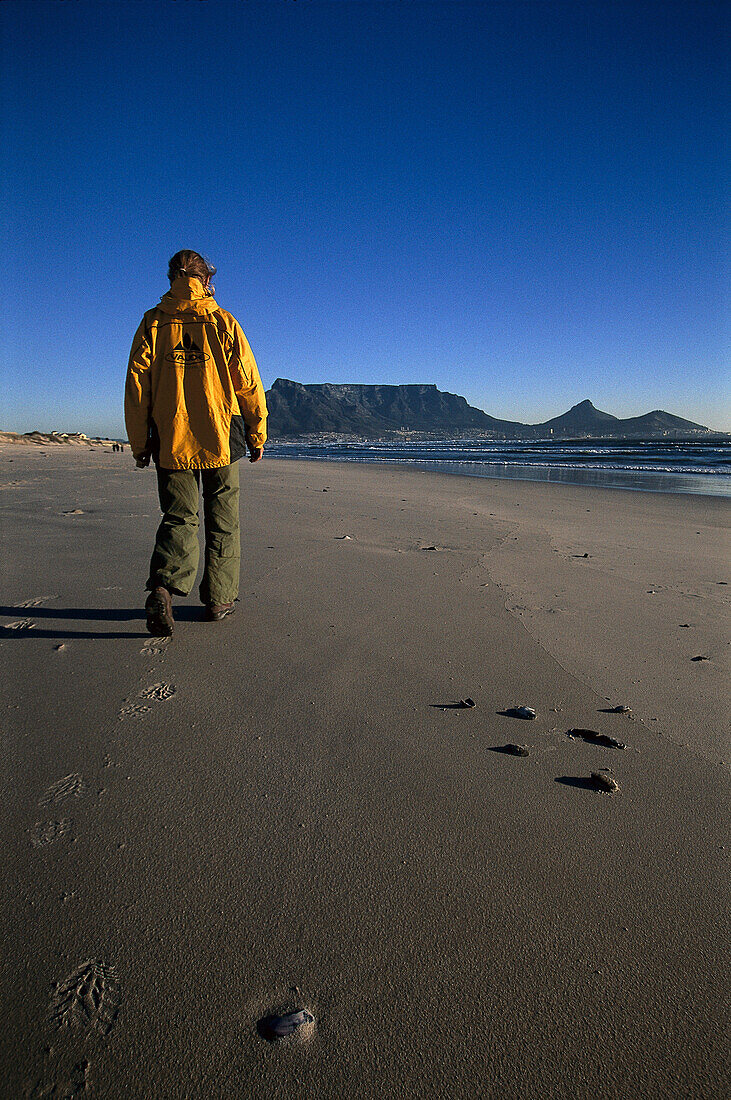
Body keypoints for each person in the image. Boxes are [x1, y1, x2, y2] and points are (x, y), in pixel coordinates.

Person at [124, 250, 267, 636]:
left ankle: (163, 588)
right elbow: (248, 382)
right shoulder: (223, 321)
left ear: (172, 277)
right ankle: (219, 600)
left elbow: (137, 388)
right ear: (206, 278)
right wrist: (257, 432)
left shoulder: (153, 322)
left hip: (172, 437)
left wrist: (140, 443)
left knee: (178, 517)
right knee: (223, 521)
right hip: (221, 435)